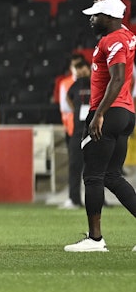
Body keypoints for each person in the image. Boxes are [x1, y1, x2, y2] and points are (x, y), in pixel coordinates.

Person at [66, 0, 136, 252]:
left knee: (93, 176)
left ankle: (95, 239)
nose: (92, 19)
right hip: (125, 112)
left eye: (96, 15)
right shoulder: (127, 35)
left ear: (109, 18)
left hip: (109, 112)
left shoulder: (113, 40)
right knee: (112, 176)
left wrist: (99, 114)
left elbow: (117, 78)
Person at [60, 55, 91, 210]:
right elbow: (67, 98)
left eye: (81, 68)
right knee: (74, 165)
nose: (79, 72)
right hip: (78, 131)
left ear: (88, 68)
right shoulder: (75, 85)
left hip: (93, 131)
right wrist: (76, 110)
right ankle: (74, 199)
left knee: (94, 168)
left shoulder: (97, 82)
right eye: (77, 69)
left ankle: (98, 199)